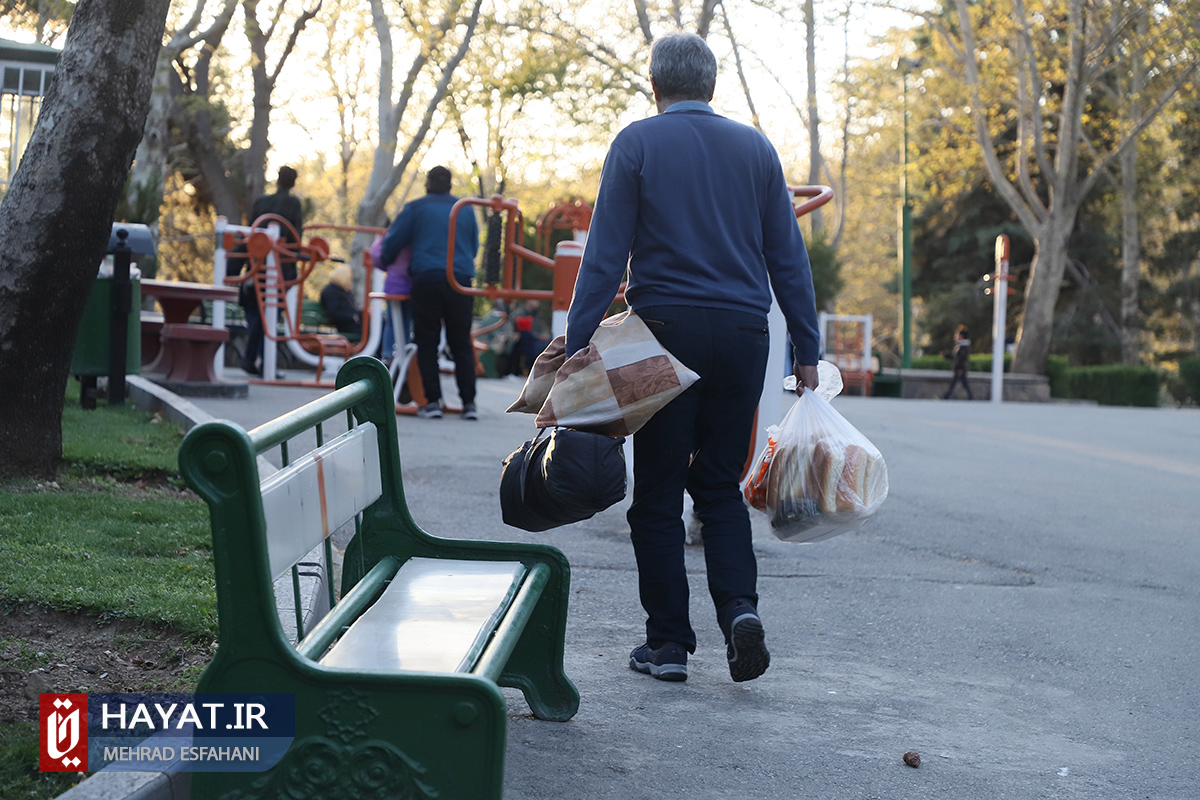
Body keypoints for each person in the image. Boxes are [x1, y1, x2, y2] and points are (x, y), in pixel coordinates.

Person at [564, 33, 821, 684]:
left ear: (654, 85)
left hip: (662, 332)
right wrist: (808, 348)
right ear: (712, 86)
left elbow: (604, 257)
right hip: (743, 334)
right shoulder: (757, 148)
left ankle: (669, 645)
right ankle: (739, 611)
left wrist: (576, 344)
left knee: (657, 494)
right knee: (718, 488)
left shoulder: (637, 144)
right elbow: (788, 259)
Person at [379, 166, 481, 420]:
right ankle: (469, 404)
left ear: (427, 183)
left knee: (427, 341)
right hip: (460, 279)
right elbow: (474, 245)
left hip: (427, 278)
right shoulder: (465, 209)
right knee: (461, 342)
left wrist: (386, 260)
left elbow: (393, 241)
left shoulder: (415, 208)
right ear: (450, 185)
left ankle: (432, 402)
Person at [239, 166, 305, 376]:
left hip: (257, 265)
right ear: (293, 184)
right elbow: (296, 238)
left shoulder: (261, 202)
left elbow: (252, 232)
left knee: (260, 313)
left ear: (277, 181)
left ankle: (256, 360)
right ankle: (255, 359)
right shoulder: (293, 204)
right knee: (269, 314)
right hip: (280, 269)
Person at [369, 226, 413, 363]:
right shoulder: (414, 239)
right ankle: (404, 353)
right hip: (411, 284)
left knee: (392, 321)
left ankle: (387, 354)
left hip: (393, 285)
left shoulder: (391, 237)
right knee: (407, 321)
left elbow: (377, 255)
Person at [319, 263, 361, 334]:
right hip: (348, 327)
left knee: (380, 324)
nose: (351, 280)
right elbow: (334, 313)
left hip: (354, 324)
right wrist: (353, 316)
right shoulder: (331, 292)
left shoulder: (343, 290)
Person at [943, 324, 973, 400]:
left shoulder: (963, 347)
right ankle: (970, 397)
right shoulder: (959, 346)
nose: (955, 337)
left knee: (957, 384)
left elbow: (962, 358)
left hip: (960, 369)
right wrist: (946, 355)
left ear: (961, 337)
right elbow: (955, 357)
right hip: (959, 368)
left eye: (957, 335)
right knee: (962, 384)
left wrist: (960, 368)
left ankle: (946, 397)